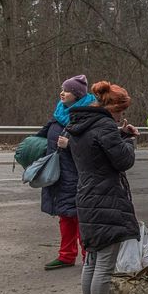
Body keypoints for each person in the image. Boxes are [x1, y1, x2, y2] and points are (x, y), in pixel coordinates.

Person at [67, 80, 140, 294]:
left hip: (86, 195)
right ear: (112, 108)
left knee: (92, 261)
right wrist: (130, 140)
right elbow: (123, 160)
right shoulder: (105, 125)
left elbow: (97, 151)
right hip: (106, 198)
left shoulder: (79, 124)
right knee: (104, 265)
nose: (122, 116)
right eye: (120, 111)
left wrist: (118, 134)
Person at [36, 75, 96, 270]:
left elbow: (93, 146)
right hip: (59, 174)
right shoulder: (59, 112)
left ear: (77, 95)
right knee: (65, 215)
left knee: (80, 216)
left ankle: (89, 256)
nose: (62, 92)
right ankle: (66, 255)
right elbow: (43, 135)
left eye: (67, 90)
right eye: (62, 89)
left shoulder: (87, 115)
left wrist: (70, 144)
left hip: (78, 175)